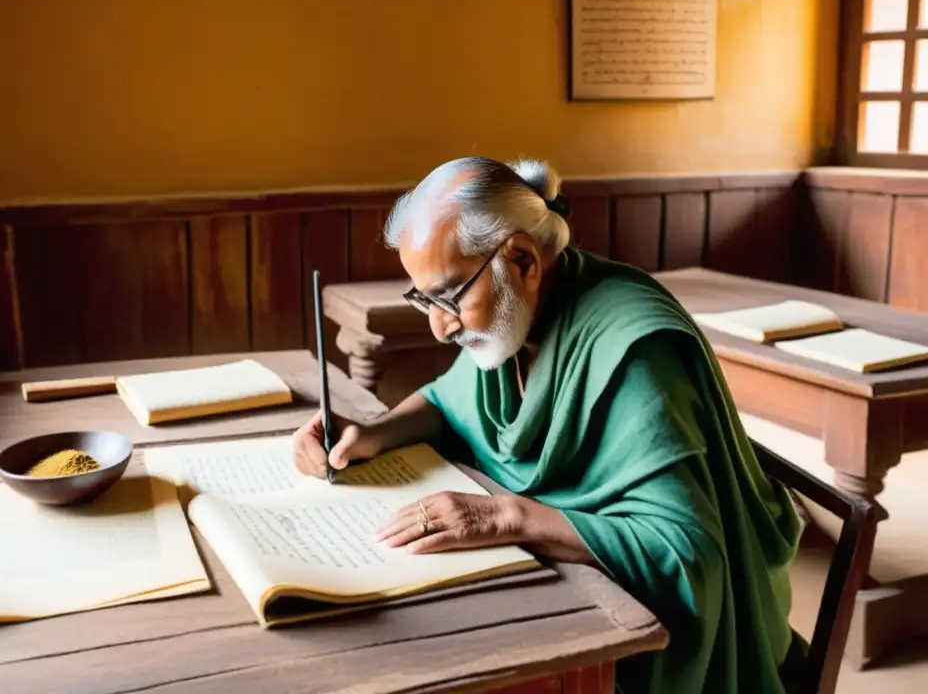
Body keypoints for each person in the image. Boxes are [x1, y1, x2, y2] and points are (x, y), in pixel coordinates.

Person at [291, 156, 806, 694]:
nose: (439, 327)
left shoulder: (636, 351)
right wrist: (374, 432)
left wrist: (506, 516)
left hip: (652, 634)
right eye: (423, 298)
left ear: (522, 260)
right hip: (571, 584)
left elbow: (684, 550)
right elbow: (449, 402)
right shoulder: (516, 311)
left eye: (447, 297)